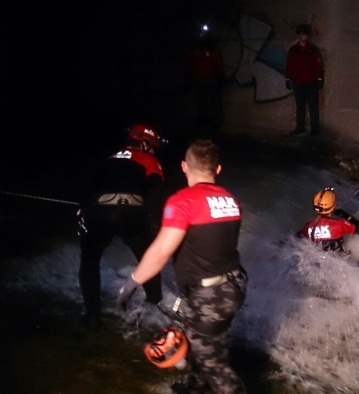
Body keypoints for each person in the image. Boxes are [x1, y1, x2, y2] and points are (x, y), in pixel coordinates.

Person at [117, 139, 248, 394]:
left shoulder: (183, 201)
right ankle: (196, 389)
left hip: (210, 294)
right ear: (217, 170)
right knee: (203, 343)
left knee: (215, 366)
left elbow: (161, 251)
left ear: (183, 166)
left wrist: (133, 281)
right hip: (234, 285)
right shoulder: (232, 201)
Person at [77, 123, 166, 330]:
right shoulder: (150, 161)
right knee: (148, 258)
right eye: (152, 146)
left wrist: (83, 210)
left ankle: (92, 315)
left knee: (89, 261)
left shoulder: (108, 159)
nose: (154, 151)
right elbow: (155, 194)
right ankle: (154, 308)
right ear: (144, 144)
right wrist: (156, 226)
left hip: (97, 210)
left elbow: (87, 186)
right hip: (131, 212)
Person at [285, 23, 324, 136]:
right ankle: (300, 127)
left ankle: (314, 128)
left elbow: (319, 65)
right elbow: (289, 65)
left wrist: (320, 78)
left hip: (311, 82)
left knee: (313, 107)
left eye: (306, 35)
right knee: (300, 107)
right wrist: (288, 78)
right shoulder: (293, 50)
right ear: (298, 36)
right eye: (302, 35)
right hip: (298, 82)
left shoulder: (313, 49)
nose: (304, 37)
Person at [298, 187, 359, 252]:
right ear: (333, 208)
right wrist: (344, 214)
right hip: (339, 258)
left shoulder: (307, 227)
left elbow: (298, 236)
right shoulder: (340, 224)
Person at [187, 24, 225, 135]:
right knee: (203, 101)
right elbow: (191, 63)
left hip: (209, 79)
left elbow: (217, 63)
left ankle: (213, 121)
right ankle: (205, 121)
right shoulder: (197, 49)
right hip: (202, 79)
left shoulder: (210, 49)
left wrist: (219, 75)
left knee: (210, 101)